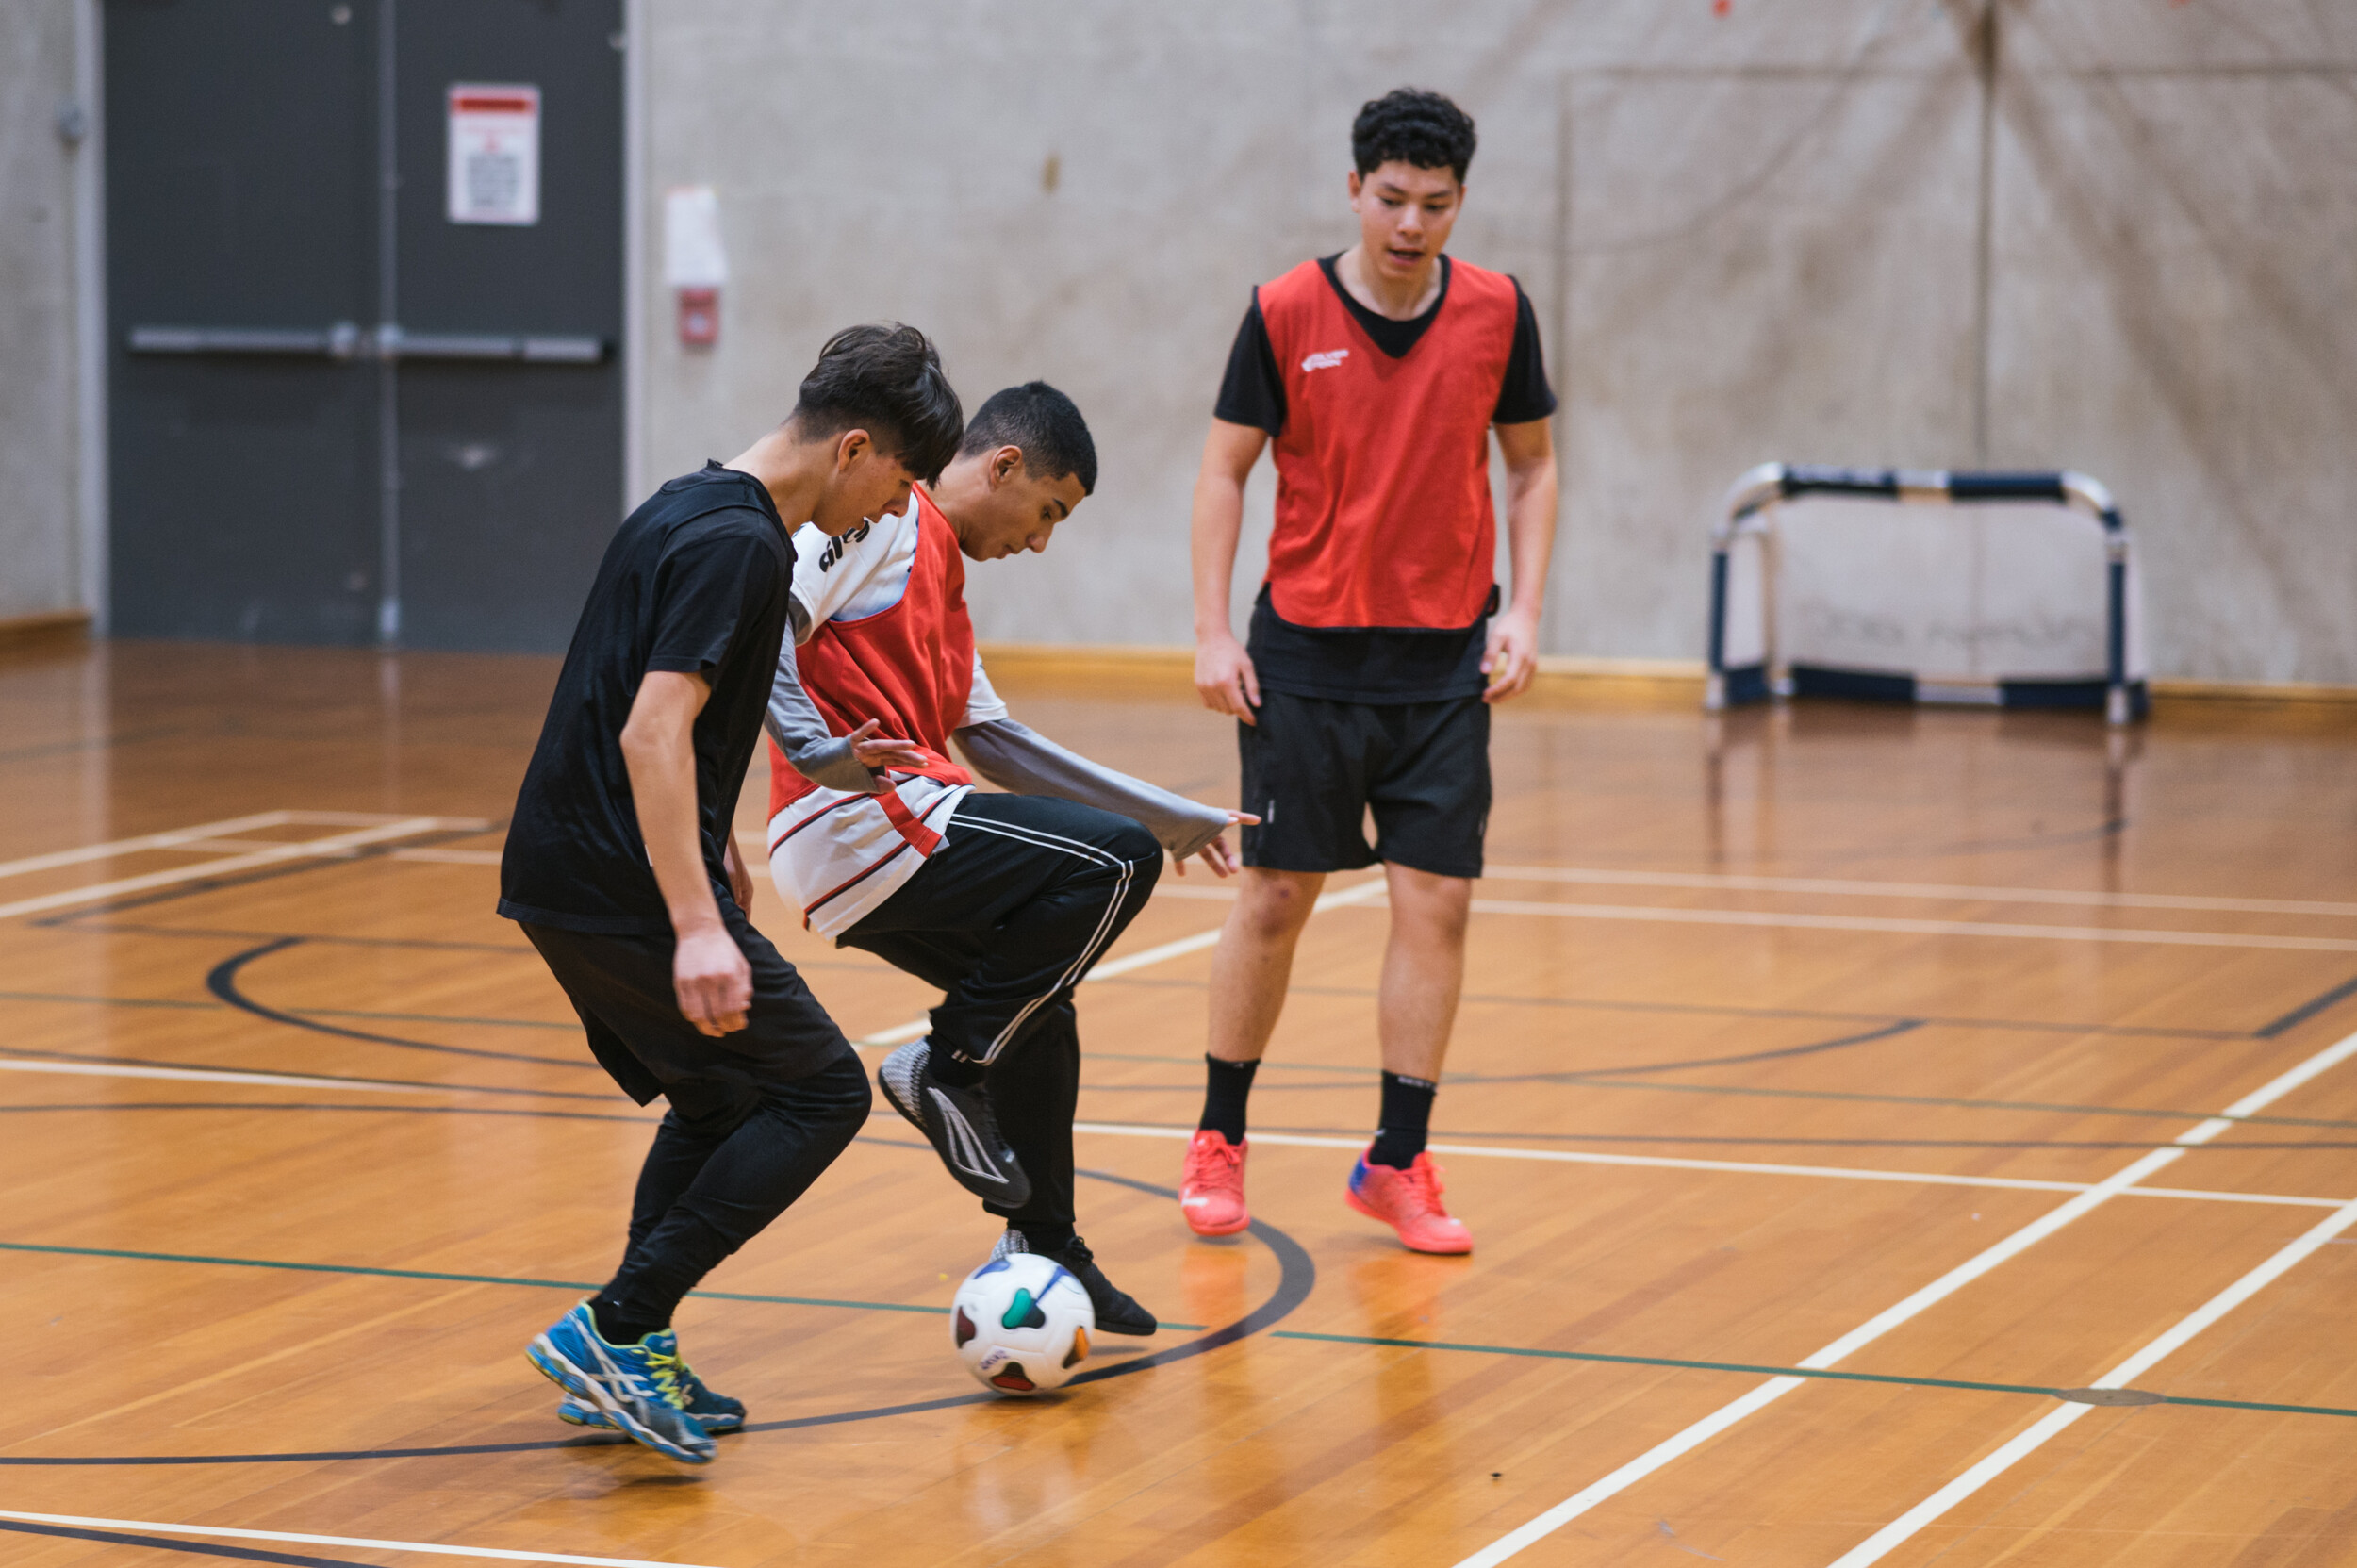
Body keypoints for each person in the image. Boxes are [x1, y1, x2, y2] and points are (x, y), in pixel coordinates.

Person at [497, 323, 963, 1464]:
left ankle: (631, 1346)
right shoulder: (744, 548)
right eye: (898, 485)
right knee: (819, 1094)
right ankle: (613, 1325)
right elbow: (652, 728)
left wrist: (715, 849)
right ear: (854, 449)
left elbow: (663, 713)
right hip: (619, 887)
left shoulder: (687, 502)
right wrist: (695, 921)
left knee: (714, 1102)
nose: (892, 514)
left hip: (564, 873)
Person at [764, 382, 1251, 1334]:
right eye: (1048, 512)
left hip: (883, 838)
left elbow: (996, 740)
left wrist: (1173, 816)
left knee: (1043, 1015)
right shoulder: (885, 518)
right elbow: (766, 612)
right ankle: (944, 1067)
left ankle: (1044, 1242)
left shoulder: (942, 578)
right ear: (1001, 467)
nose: (1041, 540)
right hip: (857, 824)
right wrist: (818, 754)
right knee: (1109, 866)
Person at [1180, 89, 1559, 1254]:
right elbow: (1223, 473)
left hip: (1443, 662)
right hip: (1304, 657)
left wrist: (1527, 613)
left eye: (1434, 205)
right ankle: (1218, 1138)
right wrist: (1212, 630)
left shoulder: (1498, 312)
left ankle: (1396, 1161)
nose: (1410, 224)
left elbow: (1533, 469)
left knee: (1434, 905)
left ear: (1459, 203)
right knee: (1276, 897)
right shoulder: (1285, 310)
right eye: (1390, 199)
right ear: (1354, 190)